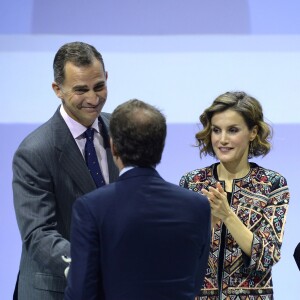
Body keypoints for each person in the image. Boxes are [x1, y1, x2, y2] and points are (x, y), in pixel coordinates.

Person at [64, 99, 211, 300]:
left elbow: (81, 294)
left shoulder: (91, 207)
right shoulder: (198, 206)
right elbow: (194, 283)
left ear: (113, 147)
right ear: (160, 146)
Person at [12, 41, 119, 300]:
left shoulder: (120, 128)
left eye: (99, 87)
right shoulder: (35, 151)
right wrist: (93, 263)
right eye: (81, 90)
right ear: (57, 89)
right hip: (59, 290)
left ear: (106, 77)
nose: (93, 99)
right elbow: (38, 234)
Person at [179, 91, 290, 299]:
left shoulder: (272, 184)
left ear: (253, 132)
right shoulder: (192, 182)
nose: (222, 140)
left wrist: (228, 216)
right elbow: (180, 256)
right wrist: (207, 225)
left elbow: (267, 256)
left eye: (232, 130)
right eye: (216, 130)